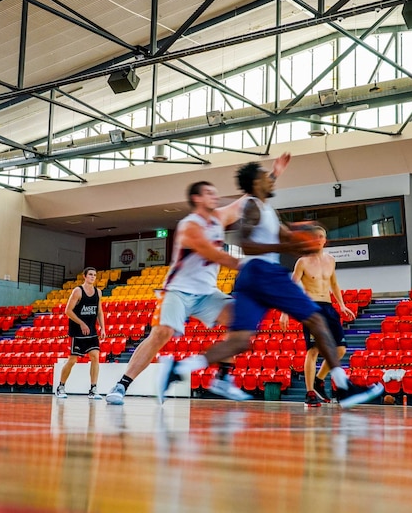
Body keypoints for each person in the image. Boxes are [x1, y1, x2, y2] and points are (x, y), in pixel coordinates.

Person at [160, 161, 384, 407]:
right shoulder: (252, 206)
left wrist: (301, 237)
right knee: (316, 319)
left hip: (249, 277)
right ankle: (344, 387)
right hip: (263, 271)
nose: (271, 180)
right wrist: (286, 246)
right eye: (266, 177)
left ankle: (182, 368)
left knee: (240, 341)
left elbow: (284, 234)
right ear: (257, 183)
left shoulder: (266, 210)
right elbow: (246, 243)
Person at [105, 154, 292, 405]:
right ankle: (121, 385)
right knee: (161, 333)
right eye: (209, 193)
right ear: (197, 198)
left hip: (207, 292)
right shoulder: (189, 225)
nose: (214, 196)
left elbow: (251, 196)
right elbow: (213, 253)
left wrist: (275, 173)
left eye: (215, 193)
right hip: (178, 291)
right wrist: (250, 265)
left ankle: (223, 379)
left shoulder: (219, 217)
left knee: (238, 322)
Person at [281, 225, 356, 407]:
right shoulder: (302, 262)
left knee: (340, 349)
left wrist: (342, 305)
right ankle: (309, 393)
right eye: (314, 237)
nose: (317, 240)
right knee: (313, 350)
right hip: (311, 308)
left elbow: (334, 283)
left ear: (324, 240)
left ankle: (319, 380)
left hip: (329, 307)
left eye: (320, 236)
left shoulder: (330, 260)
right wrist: (284, 312)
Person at [56, 267, 106, 399]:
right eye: (90, 274)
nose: (92, 277)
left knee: (95, 356)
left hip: (92, 331)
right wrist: (81, 323)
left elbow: (99, 311)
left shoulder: (98, 292)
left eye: (94, 275)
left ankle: (93, 389)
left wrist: (103, 328)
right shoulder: (78, 291)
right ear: (84, 276)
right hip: (77, 332)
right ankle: (61, 387)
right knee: (72, 360)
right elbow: (68, 311)